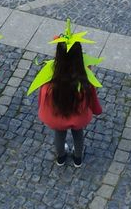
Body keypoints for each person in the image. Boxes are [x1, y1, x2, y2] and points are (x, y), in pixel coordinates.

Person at [28, 21, 104, 167]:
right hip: (79, 117)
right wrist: (97, 110)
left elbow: (42, 97)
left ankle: (61, 157)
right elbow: (92, 98)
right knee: (78, 134)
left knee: (59, 135)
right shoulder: (85, 77)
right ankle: (78, 158)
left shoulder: (48, 76)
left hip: (58, 117)